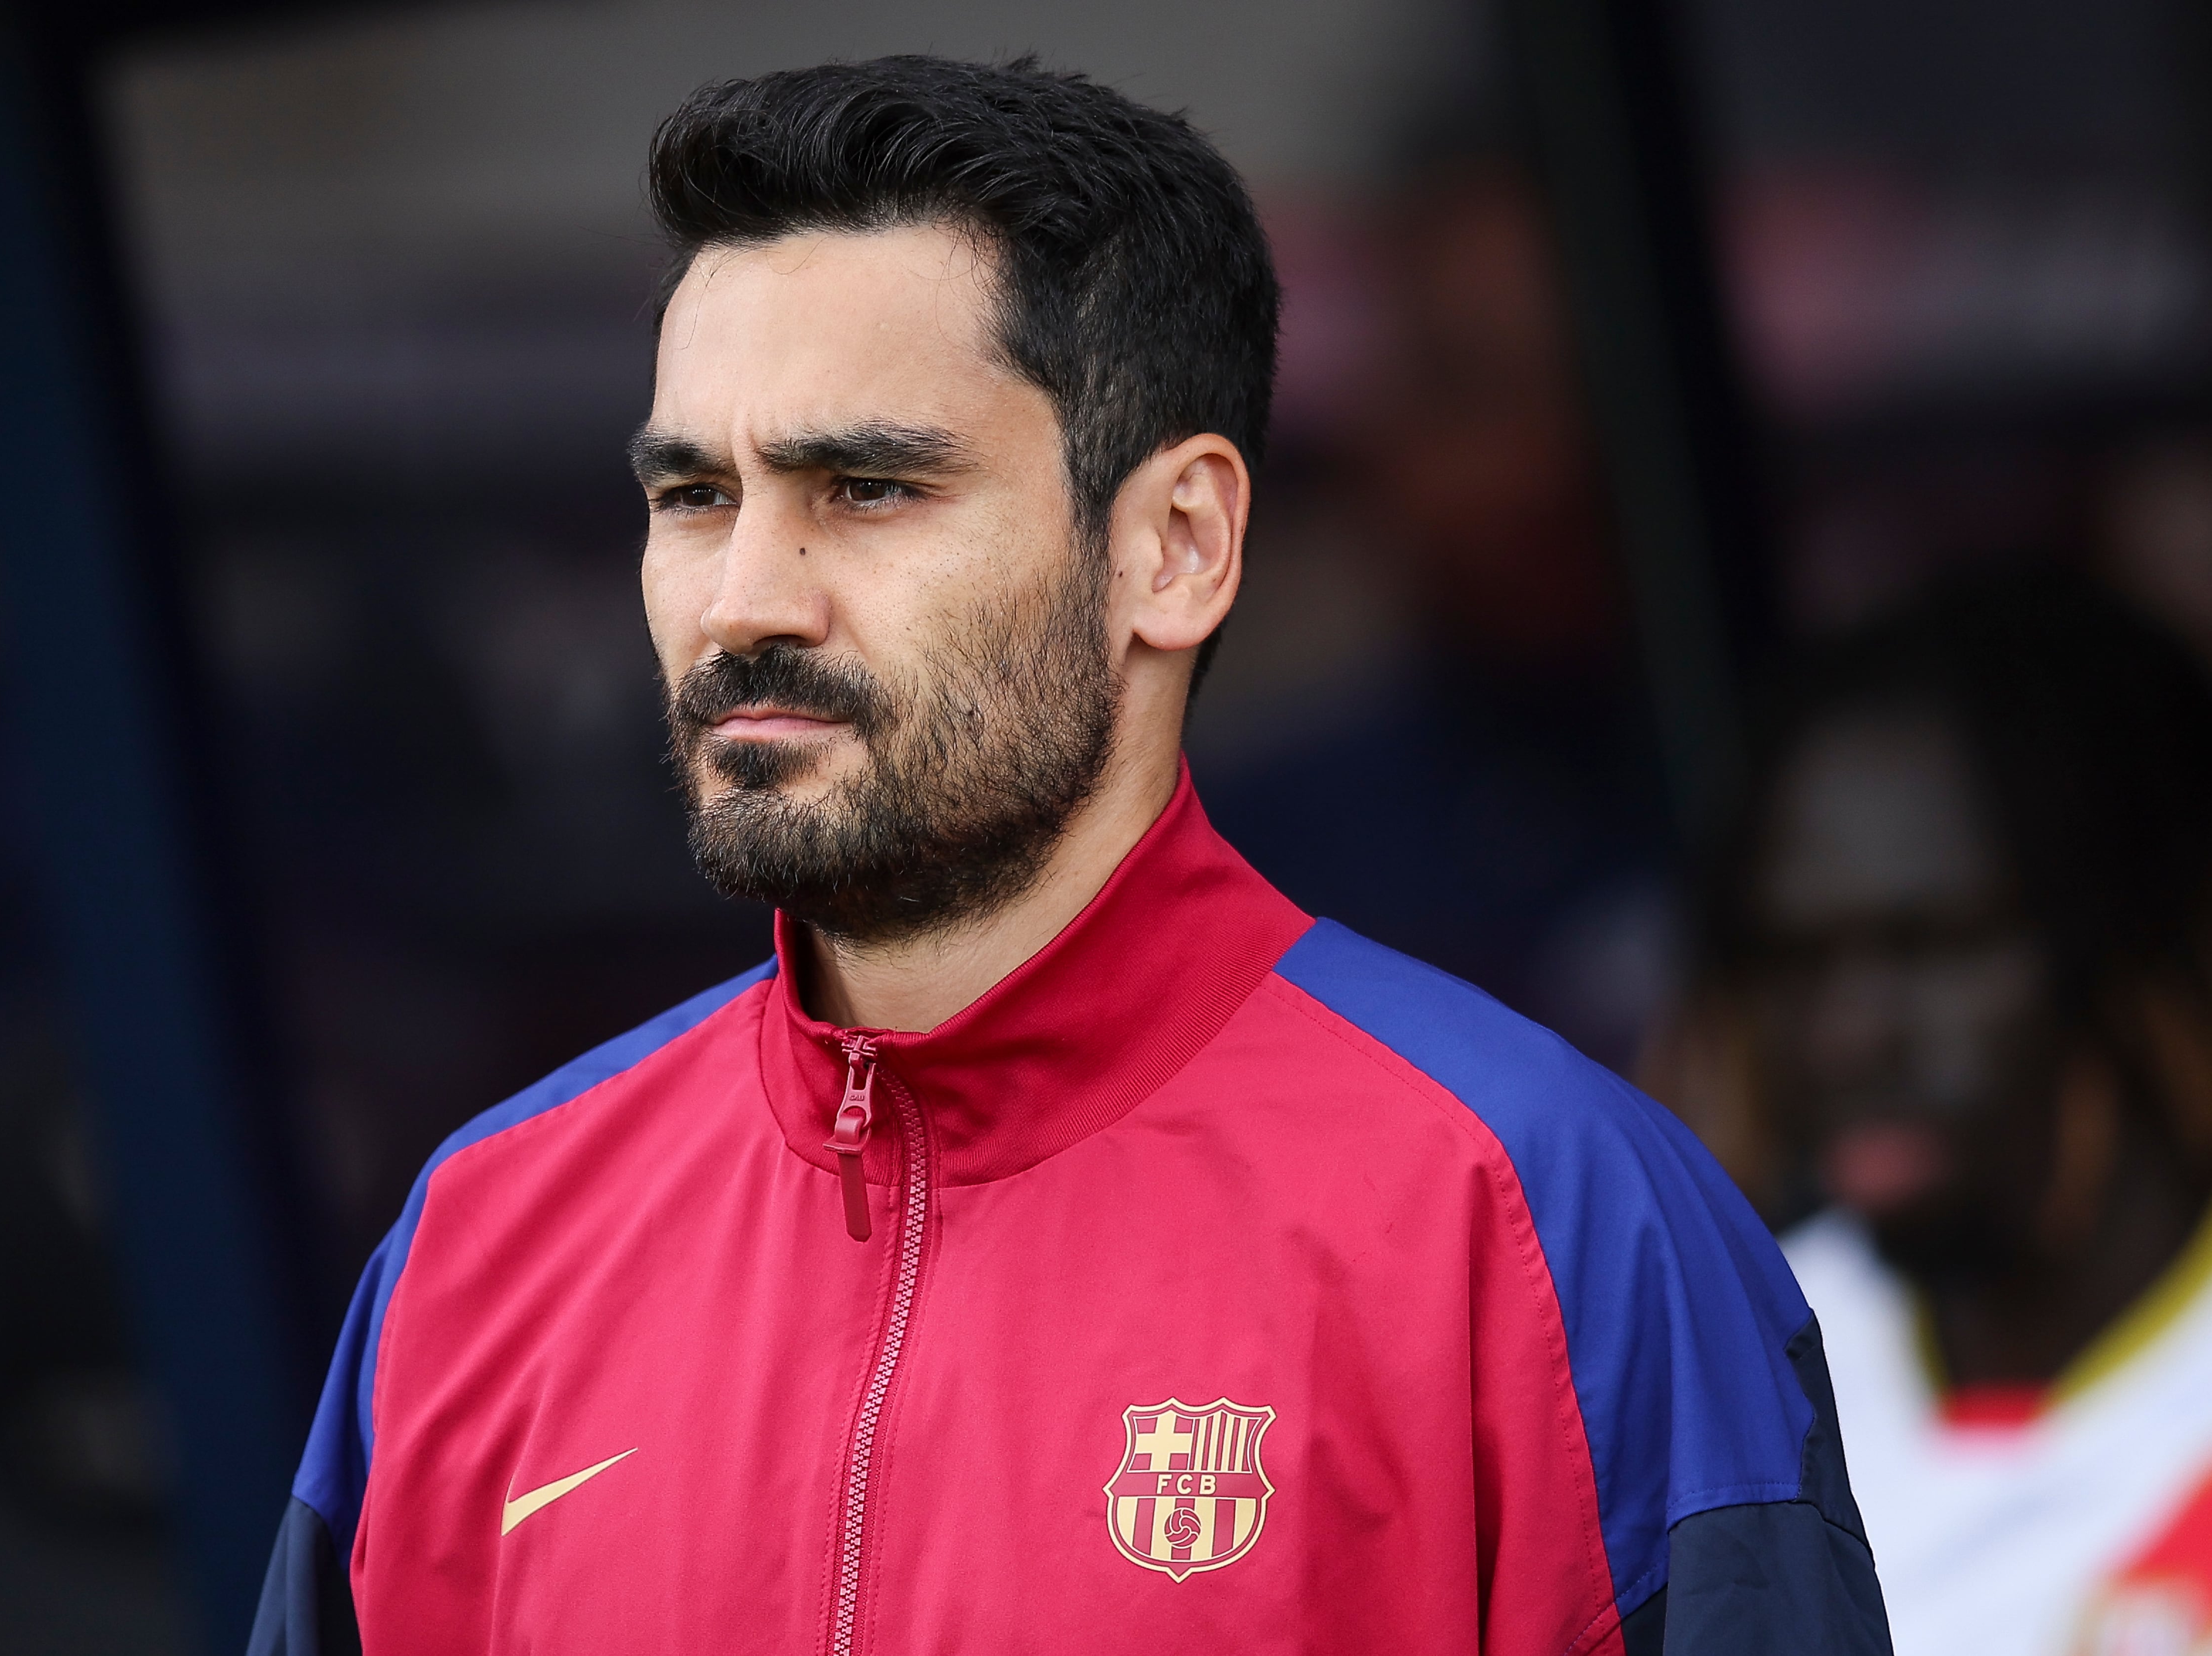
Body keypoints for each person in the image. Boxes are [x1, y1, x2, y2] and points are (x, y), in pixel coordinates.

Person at [250, 57, 1887, 1655]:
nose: (745, 596)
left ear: (1173, 546)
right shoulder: (478, 1252)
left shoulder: (1552, 1226)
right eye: (693, 495)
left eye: (869, 485)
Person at [1652, 573, 2212, 1656]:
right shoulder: (1719, 1386)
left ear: (2129, 949)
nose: (1848, 1035)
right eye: (1794, 959)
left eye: (1936, 946)